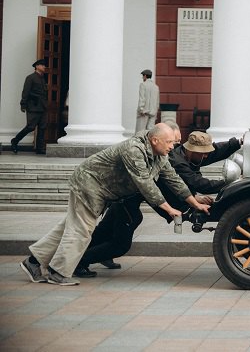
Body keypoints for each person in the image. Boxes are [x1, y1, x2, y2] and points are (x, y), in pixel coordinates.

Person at [19, 123, 210, 286]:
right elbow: (144, 183)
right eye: (170, 142)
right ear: (155, 140)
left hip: (99, 190)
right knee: (81, 230)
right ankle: (57, 273)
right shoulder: (134, 149)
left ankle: (34, 262)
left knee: (68, 228)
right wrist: (168, 208)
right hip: (89, 185)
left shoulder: (160, 155)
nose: (173, 146)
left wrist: (194, 203)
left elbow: (173, 179)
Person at [75, 128, 242, 276]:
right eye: (203, 153)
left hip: (128, 199)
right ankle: (79, 261)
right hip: (126, 199)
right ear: (192, 150)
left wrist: (238, 142)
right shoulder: (175, 161)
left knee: (104, 231)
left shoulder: (188, 155)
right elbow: (193, 183)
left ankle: (91, 255)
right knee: (120, 244)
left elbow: (215, 152)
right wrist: (228, 183)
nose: (206, 156)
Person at [10, 59, 49, 155]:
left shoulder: (42, 78)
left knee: (42, 127)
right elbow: (25, 92)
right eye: (42, 65)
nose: (44, 67)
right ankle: (15, 141)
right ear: (37, 66)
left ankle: (40, 148)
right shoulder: (30, 78)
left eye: (44, 65)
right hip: (33, 107)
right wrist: (23, 104)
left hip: (42, 107)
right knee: (30, 127)